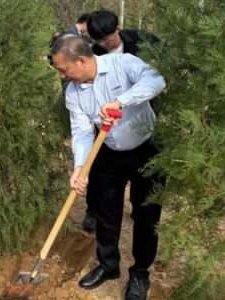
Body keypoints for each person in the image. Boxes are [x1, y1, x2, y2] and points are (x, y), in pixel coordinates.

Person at [50, 36, 165, 300]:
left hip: (147, 149)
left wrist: (120, 101)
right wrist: (80, 166)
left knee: (146, 215)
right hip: (108, 152)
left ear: (80, 60)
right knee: (106, 213)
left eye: (63, 69)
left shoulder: (122, 64)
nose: (63, 75)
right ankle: (108, 265)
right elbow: (81, 132)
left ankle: (139, 273)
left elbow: (157, 81)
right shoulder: (73, 93)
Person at [81, 9, 160, 233]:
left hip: (142, 114)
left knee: (143, 171)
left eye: (107, 39)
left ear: (118, 30)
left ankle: (139, 207)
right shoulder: (92, 54)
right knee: (98, 168)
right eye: (98, 41)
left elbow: (157, 75)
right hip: (107, 120)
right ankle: (93, 210)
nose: (103, 44)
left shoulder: (144, 42)